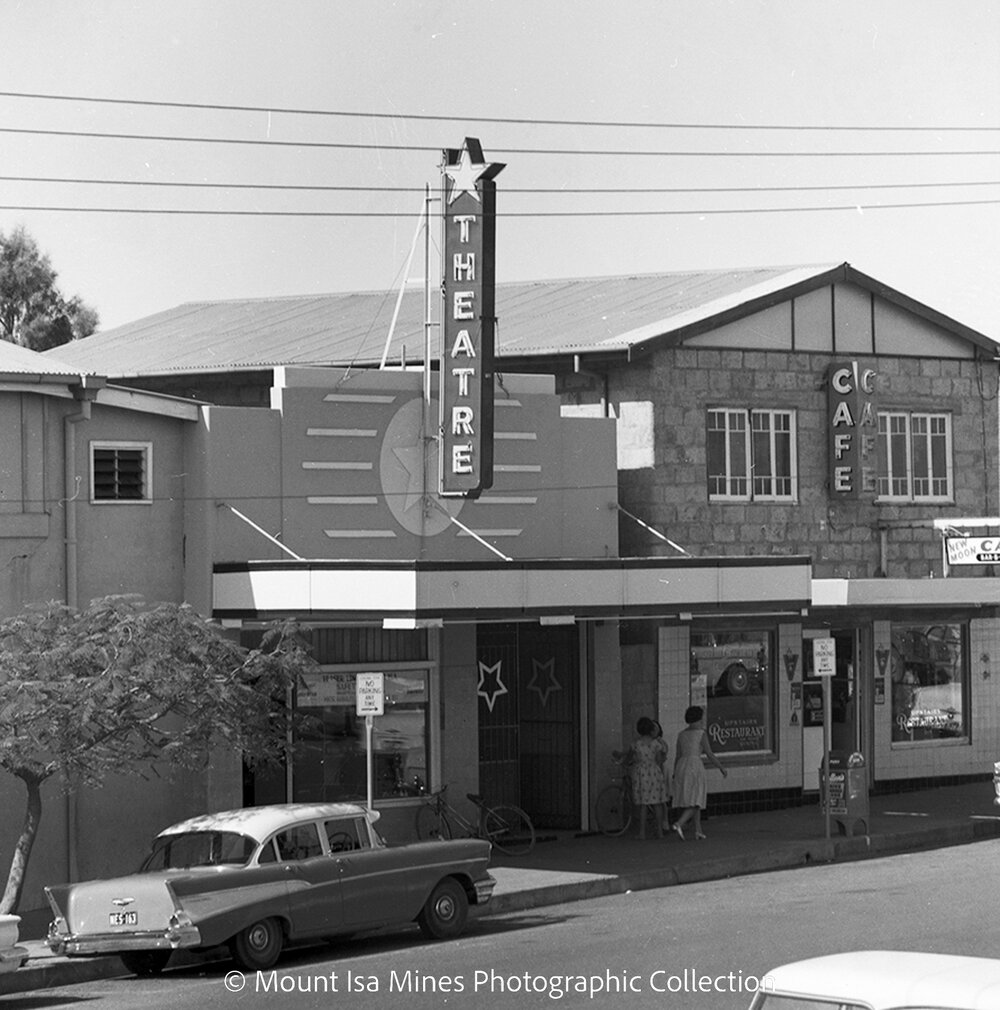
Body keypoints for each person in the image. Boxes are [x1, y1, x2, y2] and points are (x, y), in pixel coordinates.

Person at [671, 705, 727, 840]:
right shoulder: (701, 733)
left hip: (682, 766)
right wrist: (721, 767)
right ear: (699, 718)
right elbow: (709, 753)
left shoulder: (681, 734)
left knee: (694, 797)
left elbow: (678, 755)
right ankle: (679, 823)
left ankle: (698, 830)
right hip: (695, 766)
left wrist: (674, 771)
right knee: (696, 800)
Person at [629, 716, 670, 839]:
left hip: (641, 774)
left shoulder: (636, 744)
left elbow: (630, 757)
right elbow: (659, 760)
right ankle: (660, 831)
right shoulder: (656, 744)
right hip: (654, 773)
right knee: (657, 803)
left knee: (643, 804)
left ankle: (642, 832)